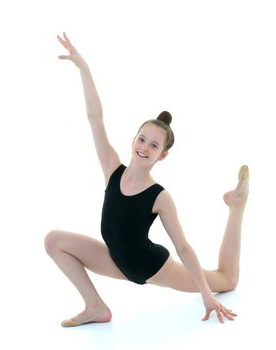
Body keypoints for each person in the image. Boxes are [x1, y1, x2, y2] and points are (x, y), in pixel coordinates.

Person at [44, 32, 249, 327]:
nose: (144, 147)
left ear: (162, 156)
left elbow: (184, 248)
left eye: (154, 145)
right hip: (116, 259)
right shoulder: (112, 169)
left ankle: (237, 205)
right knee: (54, 241)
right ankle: (95, 306)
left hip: (151, 267)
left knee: (226, 279)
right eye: (142, 139)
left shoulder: (159, 197)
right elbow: (95, 118)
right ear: (133, 140)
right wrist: (83, 68)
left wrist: (206, 293)